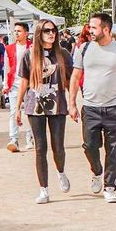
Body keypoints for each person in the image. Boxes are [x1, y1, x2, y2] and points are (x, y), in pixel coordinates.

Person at [70, 12, 116, 203]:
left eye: (93, 27)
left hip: (114, 108)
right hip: (90, 107)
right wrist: (72, 103)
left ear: (106, 29)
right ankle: (97, 171)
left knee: (113, 149)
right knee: (89, 146)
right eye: (89, 27)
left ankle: (109, 187)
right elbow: (75, 77)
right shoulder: (83, 48)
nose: (89, 30)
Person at [17, 21, 71, 203]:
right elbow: (24, 81)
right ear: (39, 33)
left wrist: (73, 103)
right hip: (35, 104)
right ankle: (44, 190)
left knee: (58, 146)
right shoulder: (29, 55)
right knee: (40, 148)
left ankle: (61, 171)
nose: (51, 33)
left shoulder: (62, 54)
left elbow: (71, 80)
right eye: (47, 30)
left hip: (57, 103)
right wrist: (17, 108)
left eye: (54, 30)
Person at [5, 22, 32, 153]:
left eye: (19, 31)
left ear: (26, 33)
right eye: (15, 31)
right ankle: (14, 139)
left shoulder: (32, 47)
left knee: (29, 112)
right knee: (13, 112)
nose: (16, 33)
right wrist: (6, 84)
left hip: (30, 85)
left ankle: (30, 138)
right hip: (15, 84)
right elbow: (7, 67)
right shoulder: (9, 48)